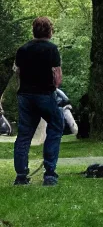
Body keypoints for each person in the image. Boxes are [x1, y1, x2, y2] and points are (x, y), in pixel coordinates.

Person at [13, 16, 64, 186]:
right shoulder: (52, 49)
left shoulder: (22, 49)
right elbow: (57, 79)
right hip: (44, 95)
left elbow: (18, 73)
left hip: (25, 96)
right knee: (56, 125)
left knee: (24, 135)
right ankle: (49, 174)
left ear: (33, 31)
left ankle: (21, 176)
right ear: (50, 31)